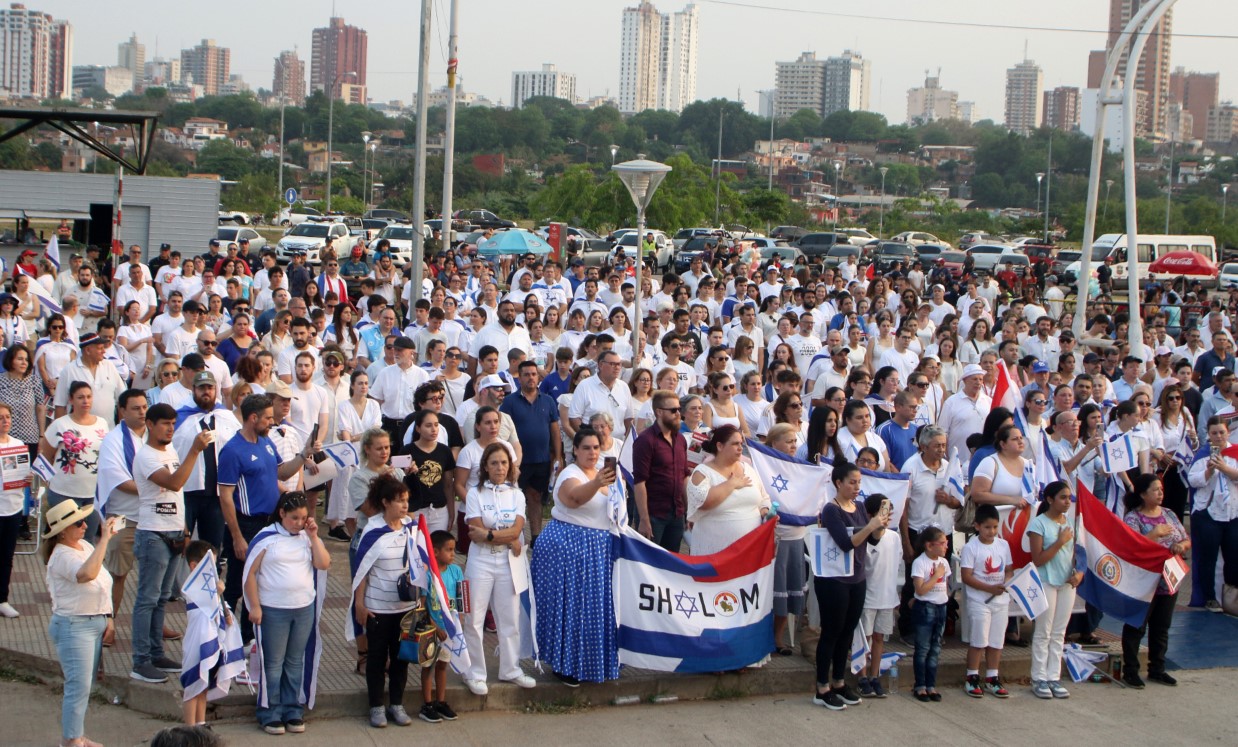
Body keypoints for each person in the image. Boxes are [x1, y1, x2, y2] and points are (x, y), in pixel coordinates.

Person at [218, 394, 316, 644]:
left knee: (261, 581)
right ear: (253, 418)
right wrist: (237, 536)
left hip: (270, 522)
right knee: (237, 584)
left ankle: (250, 638)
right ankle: (224, 636)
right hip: (247, 523)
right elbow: (226, 497)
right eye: (268, 418)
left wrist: (303, 455)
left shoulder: (266, 443)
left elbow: (281, 472)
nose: (273, 422)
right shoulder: (232, 451)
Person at [532, 428, 620, 686]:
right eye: (587, 448)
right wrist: (597, 483)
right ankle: (565, 665)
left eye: (596, 447)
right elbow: (572, 499)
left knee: (595, 610)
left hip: (598, 551)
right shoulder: (570, 474)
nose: (593, 453)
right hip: (570, 549)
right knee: (573, 609)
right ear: (575, 451)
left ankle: (592, 663)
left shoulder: (608, 475)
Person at [242, 492, 330, 735]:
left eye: (303, 518)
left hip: (303, 608)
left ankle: (293, 709)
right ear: (281, 514)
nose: (299, 523)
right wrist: (256, 606)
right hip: (274, 609)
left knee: (294, 662)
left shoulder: (306, 537)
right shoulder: (266, 537)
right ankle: (269, 712)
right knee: (273, 663)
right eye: (294, 518)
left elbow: (323, 563)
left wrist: (313, 536)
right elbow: (249, 572)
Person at [42, 501, 121, 747]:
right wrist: (105, 540)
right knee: (78, 687)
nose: (85, 526)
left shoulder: (85, 545)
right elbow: (86, 574)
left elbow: (102, 583)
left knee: (84, 686)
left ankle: (76, 735)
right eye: (78, 523)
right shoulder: (61, 556)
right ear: (63, 530)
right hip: (74, 626)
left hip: (93, 622)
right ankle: (71, 741)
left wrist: (108, 618)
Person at [813, 461, 889, 711]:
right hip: (834, 580)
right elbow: (846, 543)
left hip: (857, 577)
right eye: (852, 482)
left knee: (847, 632)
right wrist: (869, 526)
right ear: (838, 483)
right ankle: (822, 686)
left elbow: (871, 541)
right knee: (831, 632)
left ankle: (839, 681)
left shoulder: (857, 507)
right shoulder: (831, 510)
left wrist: (879, 526)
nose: (857, 487)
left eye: (859, 482)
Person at [462, 443, 535, 694]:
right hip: (480, 561)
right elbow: (475, 532)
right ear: (485, 466)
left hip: (508, 562)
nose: (500, 468)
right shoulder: (475, 493)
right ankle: (474, 672)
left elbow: (517, 531)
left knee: (510, 618)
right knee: (474, 619)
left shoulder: (517, 494)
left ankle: (510, 668)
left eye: (504, 463)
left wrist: (492, 535)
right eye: (494, 463)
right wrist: (504, 537)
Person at [348, 472, 417, 728]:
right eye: (399, 500)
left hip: (406, 609)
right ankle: (376, 706)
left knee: (401, 659)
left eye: (407, 500)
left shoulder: (411, 528)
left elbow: (419, 566)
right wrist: (360, 603)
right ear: (386, 502)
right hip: (378, 608)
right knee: (377, 660)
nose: (405, 505)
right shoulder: (372, 531)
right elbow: (361, 572)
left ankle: (397, 704)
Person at [1121, 474, 1190, 688]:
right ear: (1142, 494)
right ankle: (1131, 670)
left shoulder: (1169, 514)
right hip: (1144, 580)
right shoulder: (1133, 518)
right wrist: (1153, 534)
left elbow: (1186, 538)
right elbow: (1130, 546)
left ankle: (1157, 669)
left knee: (1161, 627)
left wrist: (1182, 546)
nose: (1161, 493)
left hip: (1168, 579)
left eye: (1161, 489)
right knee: (1136, 626)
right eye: (1155, 490)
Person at [1027, 480, 1081, 700]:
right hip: (1046, 582)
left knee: (1059, 632)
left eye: (1069, 498)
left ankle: (1053, 677)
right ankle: (1038, 677)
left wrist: (1079, 573)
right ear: (1050, 499)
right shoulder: (1038, 524)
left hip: (1067, 583)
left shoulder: (1070, 523)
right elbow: (1038, 559)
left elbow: (1078, 555)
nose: (1067, 502)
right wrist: (1059, 542)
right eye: (1063, 497)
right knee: (1043, 632)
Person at [499, 360, 562, 539]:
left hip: (541, 459)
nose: (531, 378)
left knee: (536, 498)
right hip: (517, 462)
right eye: (526, 374)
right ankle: (513, 536)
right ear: (519, 378)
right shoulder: (509, 402)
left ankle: (536, 536)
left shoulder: (548, 401)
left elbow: (555, 430)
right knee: (513, 499)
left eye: (534, 374)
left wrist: (557, 456)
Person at [685, 425, 770, 555]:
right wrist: (731, 484)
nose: (741, 448)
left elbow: (764, 498)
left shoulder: (748, 468)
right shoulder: (702, 472)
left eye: (741, 443)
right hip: (715, 551)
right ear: (720, 446)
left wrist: (765, 511)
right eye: (735, 444)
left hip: (750, 550)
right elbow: (703, 502)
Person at [39, 382, 109, 540]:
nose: (86, 401)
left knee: (88, 540)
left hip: (92, 493)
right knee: (64, 539)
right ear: (71, 400)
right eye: (80, 397)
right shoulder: (60, 424)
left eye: (89, 397)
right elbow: (46, 455)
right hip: (64, 492)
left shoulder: (102, 423)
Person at [1185, 415, 1238, 613]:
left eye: (1221, 432)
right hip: (1208, 514)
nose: (1218, 436)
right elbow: (1194, 480)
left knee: (1234, 557)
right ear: (1209, 435)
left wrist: (1224, 467)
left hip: (1233, 513)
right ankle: (1209, 598)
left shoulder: (1235, 453)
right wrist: (1208, 471)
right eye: (1214, 433)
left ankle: (1232, 598)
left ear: (1228, 433)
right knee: (1208, 558)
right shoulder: (1203, 454)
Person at [960, 504, 1013, 699]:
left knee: (996, 641)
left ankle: (992, 676)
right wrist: (989, 588)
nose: (992, 532)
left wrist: (1006, 583)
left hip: (1000, 602)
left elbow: (1008, 569)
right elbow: (966, 576)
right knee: (978, 640)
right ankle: (972, 676)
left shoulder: (1003, 545)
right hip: (979, 601)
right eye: (987, 527)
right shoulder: (971, 547)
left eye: (995, 527)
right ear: (977, 526)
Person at [632, 390, 691, 552]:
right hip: (653, 514)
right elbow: (639, 483)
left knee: (672, 564)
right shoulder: (645, 441)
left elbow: (684, 477)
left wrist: (688, 510)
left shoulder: (680, 440)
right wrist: (644, 519)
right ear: (659, 412)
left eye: (679, 409)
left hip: (676, 513)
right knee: (649, 564)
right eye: (673, 410)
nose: (678, 413)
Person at [858, 492, 900, 700]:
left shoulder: (895, 537)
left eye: (888, 511)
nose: (887, 516)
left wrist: (895, 598)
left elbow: (895, 566)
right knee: (864, 638)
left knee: (879, 638)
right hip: (868, 597)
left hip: (887, 597)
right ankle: (862, 676)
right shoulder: (864, 538)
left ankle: (875, 676)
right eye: (882, 512)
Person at [419, 530, 462, 723]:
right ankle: (427, 704)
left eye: (453, 550)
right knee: (428, 666)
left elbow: (462, 600)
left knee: (443, 665)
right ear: (435, 551)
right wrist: (434, 625)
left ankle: (440, 701)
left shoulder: (456, 572)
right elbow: (421, 605)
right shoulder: (427, 574)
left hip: (449, 629)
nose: (453, 554)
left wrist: (458, 623)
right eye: (449, 550)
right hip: (431, 629)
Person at [910, 525, 951, 703]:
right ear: (929, 545)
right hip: (926, 606)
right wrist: (936, 575)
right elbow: (920, 590)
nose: (945, 546)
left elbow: (946, 585)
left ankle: (931, 685)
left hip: (941, 606)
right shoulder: (920, 563)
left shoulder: (944, 562)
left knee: (935, 648)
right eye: (942, 543)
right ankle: (920, 685)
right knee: (923, 648)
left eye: (946, 542)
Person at [403, 409, 457, 533]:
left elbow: (448, 484)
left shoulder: (445, 451)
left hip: (439, 510)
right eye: (428, 425)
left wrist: (451, 510)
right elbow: (400, 483)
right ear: (418, 428)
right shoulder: (407, 451)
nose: (433, 429)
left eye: (436, 425)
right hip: (415, 510)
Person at [0, 403, 26, 619]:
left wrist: (27, 478)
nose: (5, 421)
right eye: (1, 418)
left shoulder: (17, 444)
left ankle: (2, 599)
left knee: (7, 556)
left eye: (8, 417)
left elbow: (23, 472)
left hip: (13, 506)